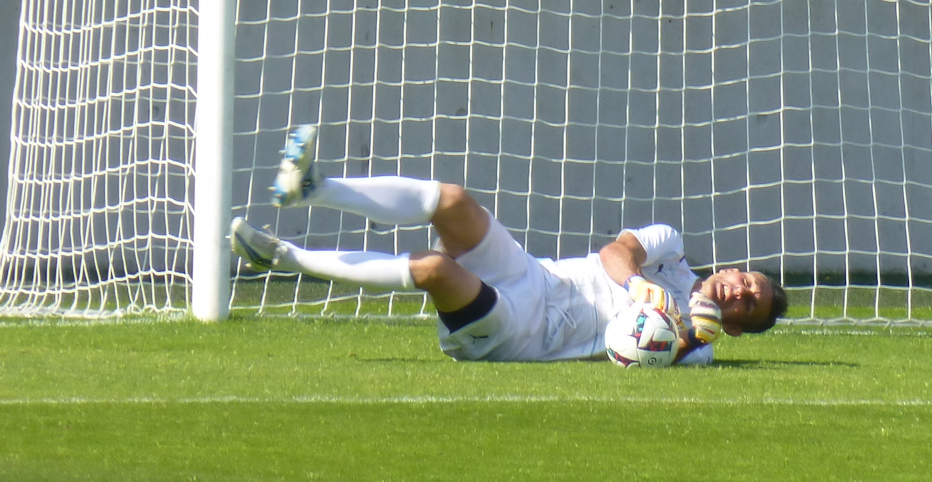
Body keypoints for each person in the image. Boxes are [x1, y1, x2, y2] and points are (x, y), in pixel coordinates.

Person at [232, 125, 789, 364]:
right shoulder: (670, 246)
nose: (739, 292)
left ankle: (283, 257)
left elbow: (640, 358)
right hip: (535, 276)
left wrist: (690, 333)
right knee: (450, 200)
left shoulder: (705, 347)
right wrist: (641, 286)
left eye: (748, 304)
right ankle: (313, 187)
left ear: (738, 326)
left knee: (432, 270)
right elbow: (613, 254)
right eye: (749, 282)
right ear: (738, 268)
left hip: (526, 332)